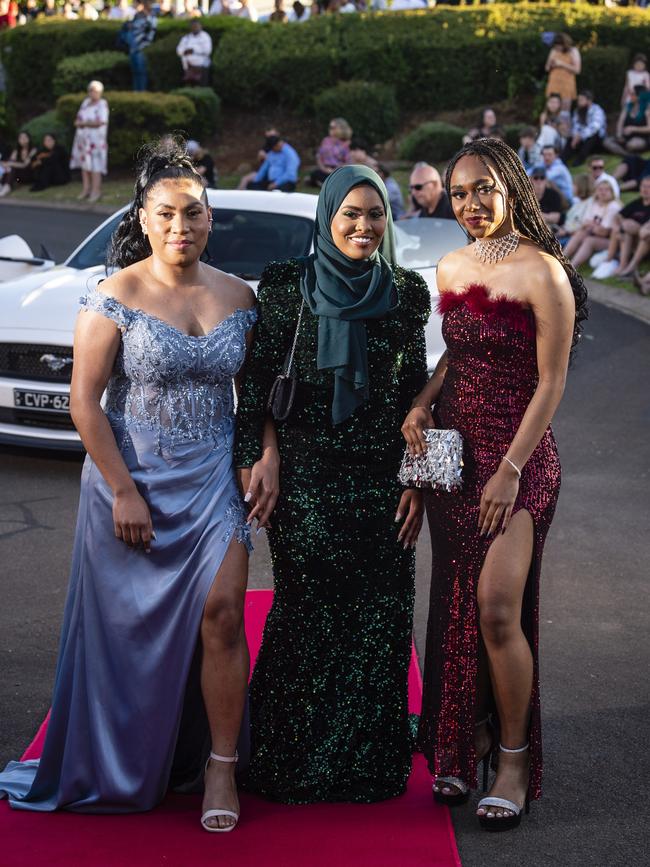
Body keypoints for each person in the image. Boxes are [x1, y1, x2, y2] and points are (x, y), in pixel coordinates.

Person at [0, 138, 257, 833]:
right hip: (132, 480)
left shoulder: (241, 295)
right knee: (125, 635)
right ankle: (121, 758)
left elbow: (260, 399)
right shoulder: (110, 293)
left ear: (210, 218)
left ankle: (220, 768)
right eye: (168, 214)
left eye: (194, 214)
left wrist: (266, 457)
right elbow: (85, 400)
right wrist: (123, 488)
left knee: (226, 613)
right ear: (144, 217)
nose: (182, 227)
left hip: (211, 481)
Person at [402, 137, 587, 832]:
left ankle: (511, 757)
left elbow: (553, 380)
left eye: (484, 189)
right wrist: (423, 399)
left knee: (497, 606)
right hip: (457, 458)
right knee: (456, 602)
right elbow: (459, 346)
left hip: (522, 457)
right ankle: (463, 738)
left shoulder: (545, 272)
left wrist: (511, 470)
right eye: (458, 193)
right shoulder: (451, 264)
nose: (471, 204)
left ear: (511, 187)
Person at [233, 164, 430, 803]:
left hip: (382, 485)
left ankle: (366, 765)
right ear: (326, 216)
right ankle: (288, 760)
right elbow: (256, 386)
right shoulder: (288, 285)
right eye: (350, 214)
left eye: (375, 216)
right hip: (306, 482)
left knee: (379, 619)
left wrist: (416, 481)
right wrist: (263, 456)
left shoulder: (406, 293)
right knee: (305, 613)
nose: (364, 227)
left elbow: (412, 395)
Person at [592, 176, 650, 279]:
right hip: (625, 237)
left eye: (648, 187)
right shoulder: (638, 202)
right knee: (620, 228)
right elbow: (618, 216)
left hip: (642, 240)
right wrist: (618, 226)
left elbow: (644, 229)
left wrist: (625, 225)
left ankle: (620, 264)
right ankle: (620, 265)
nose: (645, 189)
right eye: (643, 186)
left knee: (625, 226)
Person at [563, 178, 621, 268]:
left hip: (613, 242)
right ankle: (561, 260)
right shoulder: (594, 203)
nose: (603, 192)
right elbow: (584, 224)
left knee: (589, 240)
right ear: (596, 192)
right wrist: (593, 226)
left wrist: (591, 226)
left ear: (612, 192)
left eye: (606, 190)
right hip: (594, 234)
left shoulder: (613, 206)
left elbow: (604, 232)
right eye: (600, 190)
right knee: (581, 233)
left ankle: (571, 267)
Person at [69, 80, 109, 203]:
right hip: (83, 140)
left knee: (95, 166)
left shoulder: (102, 104)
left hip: (96, 141)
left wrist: (85, 123)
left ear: (100, 92)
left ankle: (96, 191)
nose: (92, 93)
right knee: (85, 166)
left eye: (95, 90)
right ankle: (86, 189)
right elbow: (77, 120)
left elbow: (101, 121)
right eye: (91, 90)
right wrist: (82, 123)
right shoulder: (85, 103)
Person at [562, 90, 607, 167]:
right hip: (581, 140)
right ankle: (562, 160)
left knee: (593, 135)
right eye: (578, 100)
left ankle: (580, 159)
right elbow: (576, 126)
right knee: (570, 137)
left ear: (589, 101)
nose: (579, 102)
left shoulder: (597, 110)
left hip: (596, 142)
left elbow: (595, 127)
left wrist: (580, 136)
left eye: (581, 100)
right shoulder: (577, 111)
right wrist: (575, 136)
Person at [604, 86, 650, 157]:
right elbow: (620, 122)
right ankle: (627, 155)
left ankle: (622, 152)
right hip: (625, 137)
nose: (630, 96)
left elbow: (648, 128)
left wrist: (633, 129)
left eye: (632, 94)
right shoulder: (627, 106)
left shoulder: (647, 109)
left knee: (632, 145)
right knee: (606, 142)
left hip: (640, 137)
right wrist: (619, 135)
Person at [309, 117, 352, 187]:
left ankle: (324, 183)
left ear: (341, 128)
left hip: (338, 170)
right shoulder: (326, 140)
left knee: (340, 177)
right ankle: (326, 183)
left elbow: (347, 162)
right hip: (325, 168)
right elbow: (319, 156)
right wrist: (324, 168)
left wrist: (334, 170)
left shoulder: (346, 143)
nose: (330, 129)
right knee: (315, 173)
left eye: (333, 127)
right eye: (330, 127)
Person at [544, 32, 581, 111]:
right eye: (555, 46)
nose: (557, 48)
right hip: (554, 82)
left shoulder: (573, 51)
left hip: (566, 84)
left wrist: (562, 64)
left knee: (564, 111)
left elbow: (577, 70)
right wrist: (551, 65)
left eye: (559, 46)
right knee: (551, 108)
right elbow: (547, 68)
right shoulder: (554, 51)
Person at [555, 173, 592, 245]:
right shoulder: (578, 202)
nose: (572, 187)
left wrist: (566, 231)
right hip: (565, 232)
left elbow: (581, 225)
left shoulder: (588, 204)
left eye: (574, 185)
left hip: (571, 237)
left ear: (581, 187)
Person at [128, 0, 157, 92]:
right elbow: (132, 28)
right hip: (133, 47)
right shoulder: (138, 15)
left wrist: (144, 44)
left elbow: (151, 32)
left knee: (141, 72)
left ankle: (142, 92)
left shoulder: (152, 16)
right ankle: (136, 92)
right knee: (135, 72)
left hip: (142, 47)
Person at [176, 19, 212, 86]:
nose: (195, 28)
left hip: (201, 66)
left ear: (200, 26)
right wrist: (185, 52)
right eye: (193, 26)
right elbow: (179, 50)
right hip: (188, 68)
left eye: (196, 26)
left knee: (201, 87)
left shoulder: (205, 37)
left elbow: (207, 51)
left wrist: (194, 50)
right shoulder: (187, 38)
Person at [0, 130, 36, 196]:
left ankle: (7, 186)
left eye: (25, 138)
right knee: (10, 166)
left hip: (28, 177)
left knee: (12, 166)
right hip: (17, 179)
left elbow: (25, 165)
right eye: (21, 138)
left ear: (29, 139)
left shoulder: (33, 150)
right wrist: (6, 165)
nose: (23, 140)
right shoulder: (16, 151)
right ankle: (3, 185)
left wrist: (10, 164)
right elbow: (10, 162)